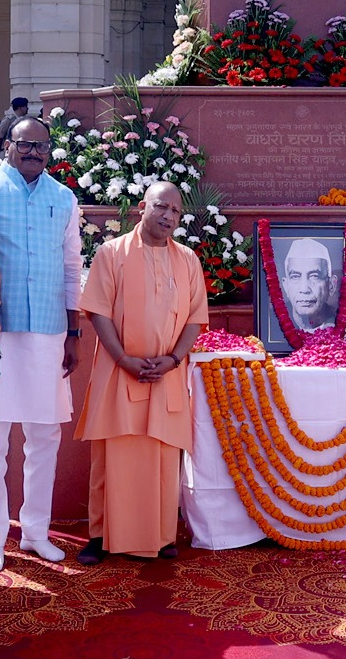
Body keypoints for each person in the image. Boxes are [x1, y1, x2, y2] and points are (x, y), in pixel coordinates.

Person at [74, 181, 208, 564]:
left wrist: (174, 359)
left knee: (163, 456)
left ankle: (162, 536)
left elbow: (195, 318)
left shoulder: (188, 260)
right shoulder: (111, 252)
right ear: (141, 208)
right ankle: (100, 536)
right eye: (161, 207)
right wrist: (122, 358)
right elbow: (98, 310)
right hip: (120, 371)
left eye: (176, 212)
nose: (168, 216)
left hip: (166, 374)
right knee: (112, 454)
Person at [0, 116, 82, 570]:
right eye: (24, 144)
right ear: (5, 145)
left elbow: (72, 266)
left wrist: (73, 332)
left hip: (50, 331)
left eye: (41, 145)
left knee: (44, 437)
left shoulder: (64, 197)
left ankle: (35, 532)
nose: (33, 152)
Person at [282, 237, 339, 331]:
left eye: (315, 276)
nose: (304, 289)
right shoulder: (270, 326)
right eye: (295, 277)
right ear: (286, 286)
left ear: (331, 286)